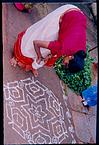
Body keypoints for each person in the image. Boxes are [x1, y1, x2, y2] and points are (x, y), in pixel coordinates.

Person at [10, 4, 86, 76]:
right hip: (66, 13)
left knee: (49, 54)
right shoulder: (63, 47)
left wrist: (48, 56)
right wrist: (39, 56)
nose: (63, 64)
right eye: (66, 64)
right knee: (41, 35)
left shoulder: (81, 53)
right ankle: (17, 57)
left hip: (75, 20)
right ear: (71, 57)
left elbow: (56, 51)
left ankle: (32, 65)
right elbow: (36, 43)